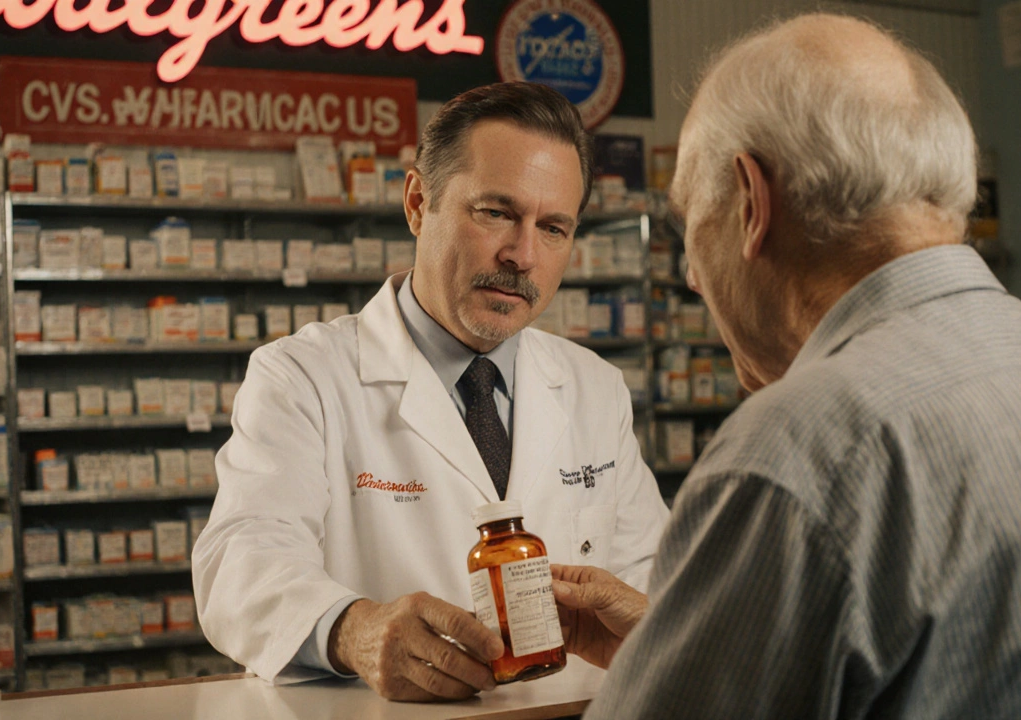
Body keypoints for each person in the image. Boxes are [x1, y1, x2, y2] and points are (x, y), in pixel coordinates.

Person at [551, 13, 1021, 719]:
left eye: (692, 225)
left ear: (753, 203)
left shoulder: (798, 446)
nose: (694, 278)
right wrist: (675, 641)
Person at [192, 82, 669, 701]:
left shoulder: (594, 388)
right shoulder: (303, 375)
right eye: (496, 212)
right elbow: (239, 560)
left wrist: (657, 624)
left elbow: (654, 578)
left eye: (553, 227)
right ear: (418, 202)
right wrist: (352, 629)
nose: (522, 255)